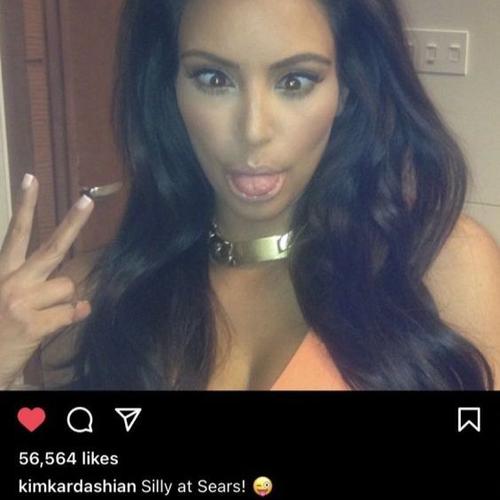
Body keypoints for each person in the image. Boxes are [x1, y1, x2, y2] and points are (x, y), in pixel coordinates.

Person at [1, 0, 499, 391]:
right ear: (169, 89)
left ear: (347, 90)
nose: (254, 130)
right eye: (214, 79)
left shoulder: (438, 265)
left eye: (295, 81)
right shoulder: (87, 300)